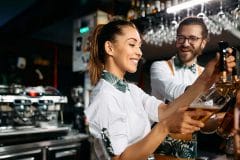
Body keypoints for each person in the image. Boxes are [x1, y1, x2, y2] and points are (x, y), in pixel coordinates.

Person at [84, 19, 235, 160]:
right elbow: (119, 158)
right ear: (110, 48)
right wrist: (165, 126)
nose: (139, 52)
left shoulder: (131, 90)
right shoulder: (104, 97)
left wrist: (208, 76)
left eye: (139, 46)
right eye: (132, 44)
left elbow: (165, 111)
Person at [150, 16, 230, 159]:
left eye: (192, 38)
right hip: (158, 145)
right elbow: (174, 92)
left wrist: (220, 120)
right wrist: (205, 81)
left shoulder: (206, 73)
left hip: (189, 148)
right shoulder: (159, 67)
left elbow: (204, 125)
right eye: (181, 38)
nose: (185, 43)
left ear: (203, 43)